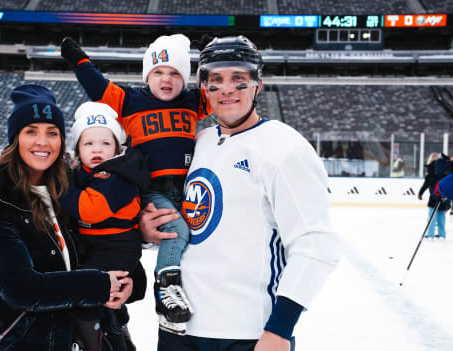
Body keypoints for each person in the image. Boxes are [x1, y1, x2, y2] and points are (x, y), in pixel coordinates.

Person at [140, 36, 340, 351]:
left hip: (246, 334)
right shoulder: (199, 141)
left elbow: (315, 244)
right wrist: (149, 231)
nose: (227, 89)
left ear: (258, 85)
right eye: (216, 80)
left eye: (239, 79)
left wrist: (279, 331)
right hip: (178, 330)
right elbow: (195, 225)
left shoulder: (284, 147)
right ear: (204, 88)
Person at [0, 84, 141, 350]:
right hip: (29, 342)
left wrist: (129, 282)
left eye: (52, 132)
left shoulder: (71, 192)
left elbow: (103, 246)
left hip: (92, 337)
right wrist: (99, 283)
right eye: (31, 131)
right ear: (15, 139)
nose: (43, 142)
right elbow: (21, 289)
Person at [61, 34, 206, 333]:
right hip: (153, 189)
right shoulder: (131, 101)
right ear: (147, 76)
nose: (166, 79)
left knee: (197, 240)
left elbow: (219, 88)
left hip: (187, 188)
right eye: (158, 72)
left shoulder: (193, 102)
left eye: (175, 73)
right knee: (176, 231)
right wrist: (79, 60)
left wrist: (210, 54)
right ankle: (165, 289)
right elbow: (98, 88)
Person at [60, 101, 151, 350]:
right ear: (78, 149)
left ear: (117, 147)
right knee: (100, 297)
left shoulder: (114, 175)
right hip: (100, 247)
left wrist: (61, 188)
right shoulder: (86, 171)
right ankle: (116, 327)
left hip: (114, 249)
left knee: (87, 292)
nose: (97, 149)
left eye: (105, 143)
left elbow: (90, 209)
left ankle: (98, 338)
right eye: (88, 143)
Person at [418, 152, 451, 240]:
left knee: (431, 217)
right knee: (441, 217)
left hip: (434, 196)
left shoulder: (431, 171)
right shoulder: (445, 171)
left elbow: (426, 184)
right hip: (444, 196)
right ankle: (442, 235)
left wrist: (420, 193)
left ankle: (430, 235)